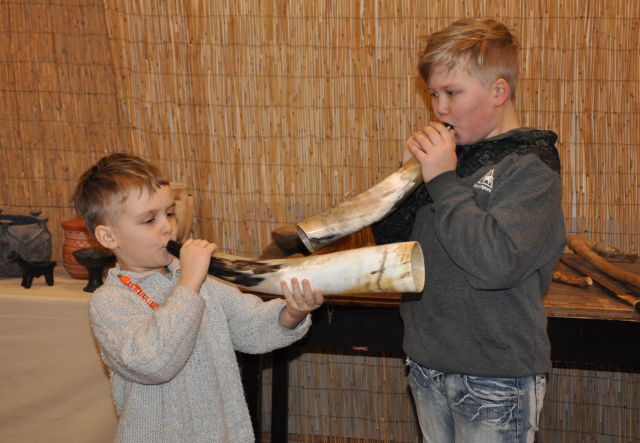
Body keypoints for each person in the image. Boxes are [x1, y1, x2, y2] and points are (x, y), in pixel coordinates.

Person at [371, 18, 566, 442]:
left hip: (495, 377)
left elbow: (495, 263)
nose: (440, 109)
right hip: (426, 364)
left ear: (499, 91)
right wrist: (405, 185)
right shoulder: (449, 162)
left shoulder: (530, 168)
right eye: (433, 94)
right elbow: (396, 252)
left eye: (452, 93)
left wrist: (443, 181)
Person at [73, 153, 324, 442]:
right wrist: (189, 283)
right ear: (108, 237)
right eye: (149, 220)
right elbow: (154, 363)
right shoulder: (110, 302)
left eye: (169, 213)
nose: (168, 227)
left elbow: (250, 325)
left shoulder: (201, 279)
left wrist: (291, 313)